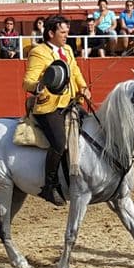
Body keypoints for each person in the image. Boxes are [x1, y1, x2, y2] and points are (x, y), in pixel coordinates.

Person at [22, 15, 90, 206]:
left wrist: (83, 88)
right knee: (59, 143)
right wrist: (38, 86)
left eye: (67, 32)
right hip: (49, 107)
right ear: (51, 33)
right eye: (63, 32)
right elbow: (27, 81)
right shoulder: (38, 52)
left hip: (70, 103)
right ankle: (49, 186)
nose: (66, 35)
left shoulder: (67, 50)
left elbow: (75, 72)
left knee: (92, 128)